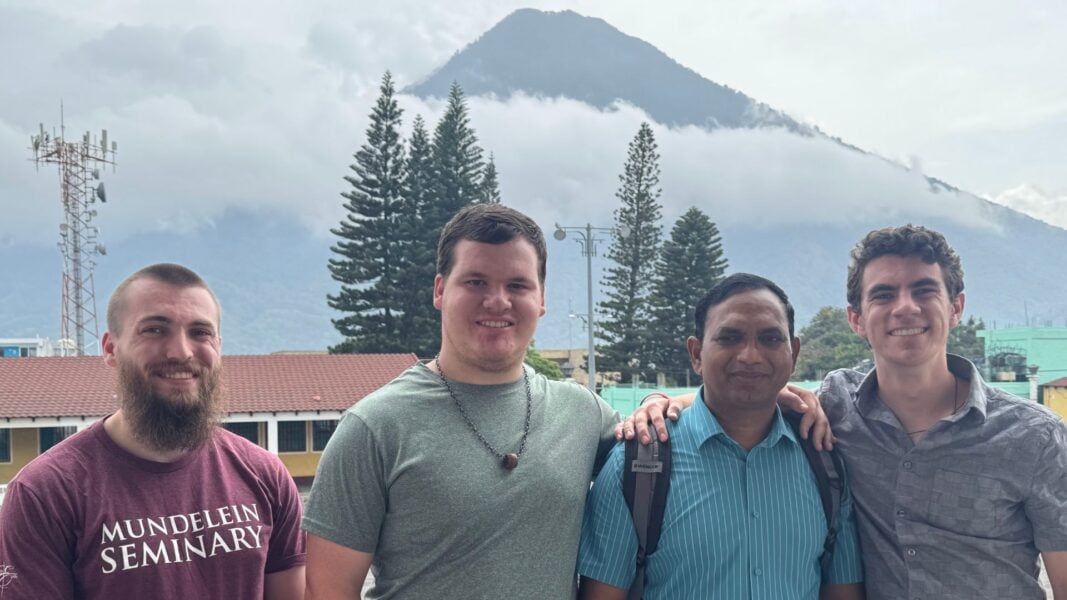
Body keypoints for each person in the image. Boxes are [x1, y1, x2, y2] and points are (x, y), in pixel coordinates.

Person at [630, 225, 1067, 599]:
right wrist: (658, 403)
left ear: (956, 307)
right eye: (883, 294)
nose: (905, 307)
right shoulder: (835, 408)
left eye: (923, 290)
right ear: (856, 319)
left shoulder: (1034, 438)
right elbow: (741, 392)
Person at [303, 204, 620, 599]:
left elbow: (669, 453)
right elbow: (328, 592)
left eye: (518, 285)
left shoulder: (583, 414)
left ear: (541, 299)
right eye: (476, 282)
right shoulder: (374, 426)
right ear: (440, 290)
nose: (497, 301)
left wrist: (663, 401)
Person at [0, 263, 306, 600]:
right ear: (110, 349)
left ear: (218, 346)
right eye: (155, 330)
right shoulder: (45, 493)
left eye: (200, 332)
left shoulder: (264, 475)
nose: (181, 351)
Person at [578, 273, 864, 600]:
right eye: (729, 338)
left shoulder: (824, 463)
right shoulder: (638, 465)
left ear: (794, 353)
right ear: (696, 354)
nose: (750, 356)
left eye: (770, 339)